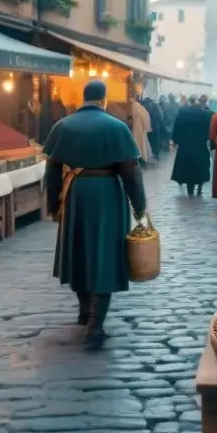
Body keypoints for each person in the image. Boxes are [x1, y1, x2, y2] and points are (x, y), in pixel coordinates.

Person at [42, 80, 147, 350]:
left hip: (75, 193)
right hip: (107, 195)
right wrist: (140, 207)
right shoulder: (116, 127)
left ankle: (84, 311)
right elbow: (131, 171)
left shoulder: (63, 126)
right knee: (105, 255)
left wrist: (54, 204)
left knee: (78, 251)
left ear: (83, 97)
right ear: (104, 99)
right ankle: (95, 326)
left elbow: (52, 171)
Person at [171, 97, 212, 196]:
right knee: (200, 166)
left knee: (187, 167)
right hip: (200, 145)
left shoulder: (182, 114)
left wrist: (175, 141)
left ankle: (190, 189)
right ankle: (200, 187)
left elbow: (177, 127)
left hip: (185, 145)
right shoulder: (205, 115)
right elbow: (210, 130)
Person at [127, 96, 153, 165]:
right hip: (139, 129)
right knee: (140, 144)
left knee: (139, 144)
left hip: (138, 129)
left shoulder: (135, 106)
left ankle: (140, 159)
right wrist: (147, 128)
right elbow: (146, 117)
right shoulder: (139, 107)